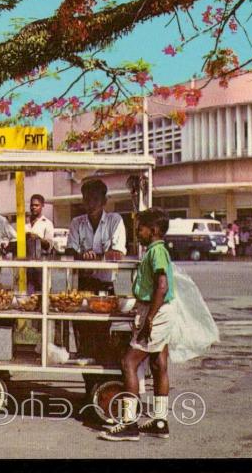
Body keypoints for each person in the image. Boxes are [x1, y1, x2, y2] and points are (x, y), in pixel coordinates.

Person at [99, 208, 175, 441]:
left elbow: (161, 286)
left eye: (140, 228)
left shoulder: (156, 252)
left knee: (128, 362)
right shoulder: (155, 251)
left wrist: (149, 318)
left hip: (156, 312)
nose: (137, 233)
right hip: (159, 310)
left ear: (153, 230)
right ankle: (160, 421)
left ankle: (129, 423)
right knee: (159, 363)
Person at [64, 178, 126, 393]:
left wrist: (95, 255)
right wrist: (81, 255)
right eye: (86, 199)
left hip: (105, 286)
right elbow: (70, 249)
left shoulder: (115, 220)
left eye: (95, 199)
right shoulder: (77, 222)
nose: (90, 203)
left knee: (101, 337)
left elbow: (117, 251)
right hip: (83, 285)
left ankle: (101, 386)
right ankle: (89, 385)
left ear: (104, 200)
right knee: (83, 339)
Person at [25, 194, 55, 292]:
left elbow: (49, 246)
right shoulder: (25, 223)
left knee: (42, 293)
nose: (33, 207)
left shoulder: (47, 223)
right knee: (28, 294)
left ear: (42, 206)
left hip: (41, 265)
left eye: (36, 205)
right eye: (32, 205)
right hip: (26, 265)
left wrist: (38, 239)